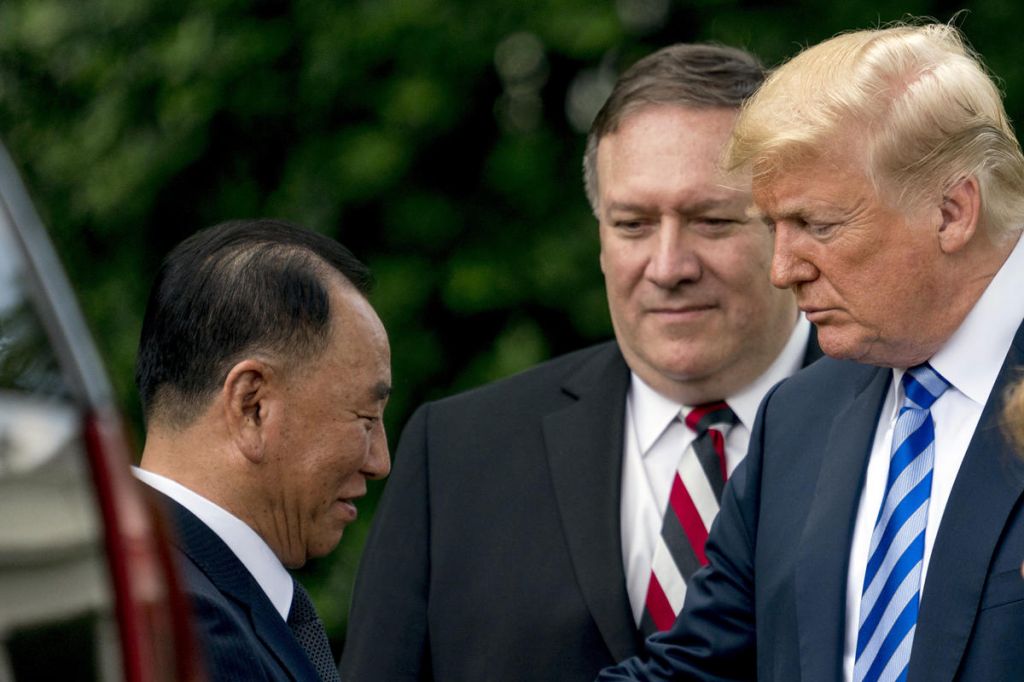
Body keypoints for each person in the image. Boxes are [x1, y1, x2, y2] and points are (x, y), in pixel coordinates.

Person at [340, 43, 820, 682]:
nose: (669, 266)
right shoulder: (457, 456)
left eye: (711, 220)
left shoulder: (897, 430)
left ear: (789, 226)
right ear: (598, 236)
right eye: (632, 224)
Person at [599, 22, 1024, 682]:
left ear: (952, 210)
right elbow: (692, 672)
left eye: (817, 225)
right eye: (773, 228)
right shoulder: (798, 416)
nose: (783, 269)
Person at [133, 219, 391, 682]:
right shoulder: (194, 629)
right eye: (366, 420)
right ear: (252, 406)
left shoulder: (132, 579)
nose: (379, 463)